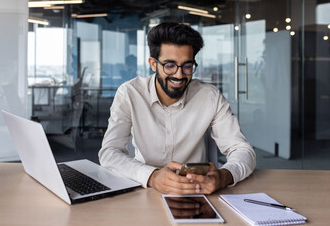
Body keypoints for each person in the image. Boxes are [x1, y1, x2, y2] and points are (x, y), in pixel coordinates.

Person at [99, 22, 256, 195]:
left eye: (187, 66)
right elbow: (109, 152)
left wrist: (224, 176)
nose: (179, 74)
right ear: (153, 64)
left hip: (196, 191)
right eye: (170, 65)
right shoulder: (130, 93)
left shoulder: (209, 96)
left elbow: (242, 150)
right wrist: (152, 176)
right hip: (147, 189)